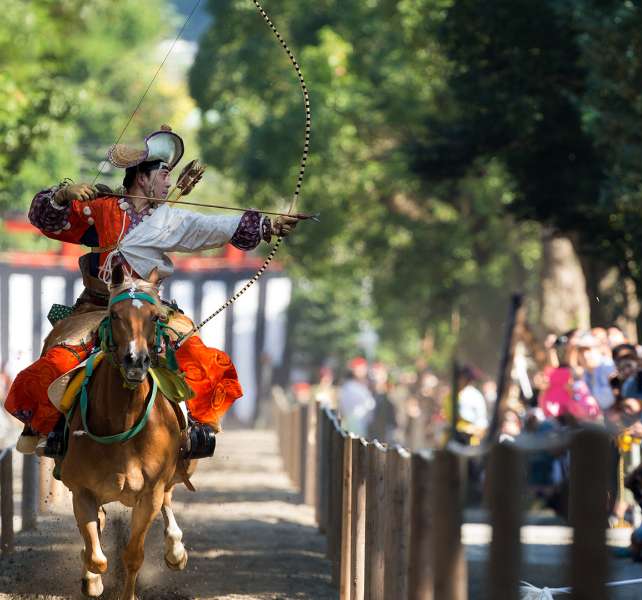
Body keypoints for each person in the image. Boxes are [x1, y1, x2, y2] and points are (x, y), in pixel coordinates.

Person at [5, 126, 298, 458]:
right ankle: (53, 430)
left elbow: (212, 226)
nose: (169, 183)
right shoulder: (101, 208)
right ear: (142, 178)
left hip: (149, 308)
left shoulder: (169, 219)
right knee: (56, 361)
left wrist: (268, 225)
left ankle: (197, 429)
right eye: (164, 174)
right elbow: (48, 221)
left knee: (201, 359)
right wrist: (62, 195)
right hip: (98, 307)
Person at [338, 357, 376, 437]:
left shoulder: (367, 385)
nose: (361, 371)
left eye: (363, 368)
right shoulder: (349, 387)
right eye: (358, 369)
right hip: (354, 423)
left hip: (366, 424)